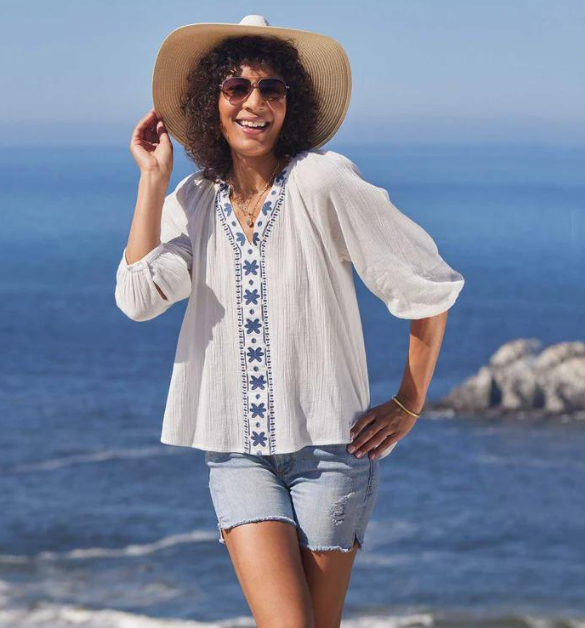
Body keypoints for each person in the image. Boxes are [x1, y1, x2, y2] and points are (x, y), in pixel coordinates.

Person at [115, 15, 464, 626]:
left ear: (289, 103)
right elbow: (140, 298)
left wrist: (409, 404)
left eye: (271, 89)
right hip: (235, 453)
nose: (255, 103)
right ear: (210, 102)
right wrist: (152, 179)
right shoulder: (194, 200)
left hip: (333, 452)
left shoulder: (322, 180)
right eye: (236, 87)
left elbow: (429, 287)